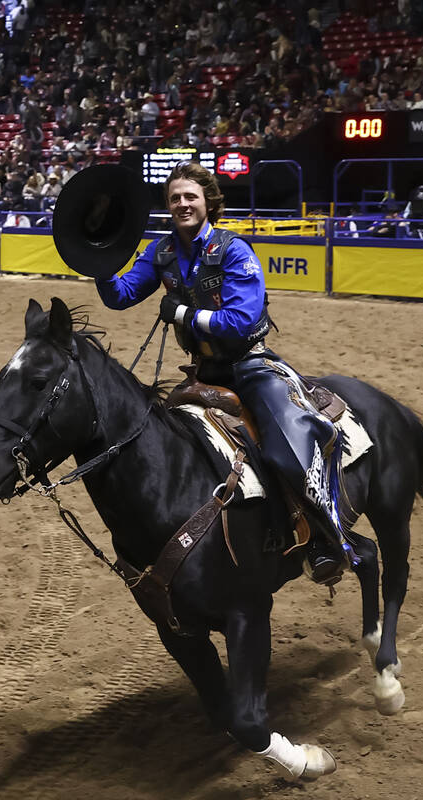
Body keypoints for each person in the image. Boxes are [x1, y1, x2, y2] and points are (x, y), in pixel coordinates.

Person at [94, 161, 348, 585]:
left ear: (208, 202)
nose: (182, 204)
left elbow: (242, 320)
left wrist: (184, 313)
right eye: (174, 198)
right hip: (202, 372)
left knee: (287, 446)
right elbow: (120, 296)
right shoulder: (162, 252)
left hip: (250, 366)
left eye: (190, 196)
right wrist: (99, 259)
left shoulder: (234, 250)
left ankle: (325, 538)